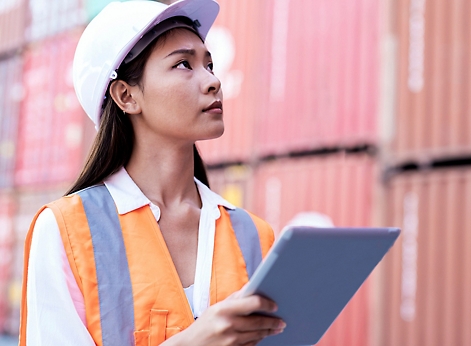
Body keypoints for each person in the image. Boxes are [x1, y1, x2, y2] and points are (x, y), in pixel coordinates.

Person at [18, 1, 285, 345]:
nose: (213, 81)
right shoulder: (65, 231)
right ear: (126, 96)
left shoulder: (254, 235)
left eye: (210, 64)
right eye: (184, 64)